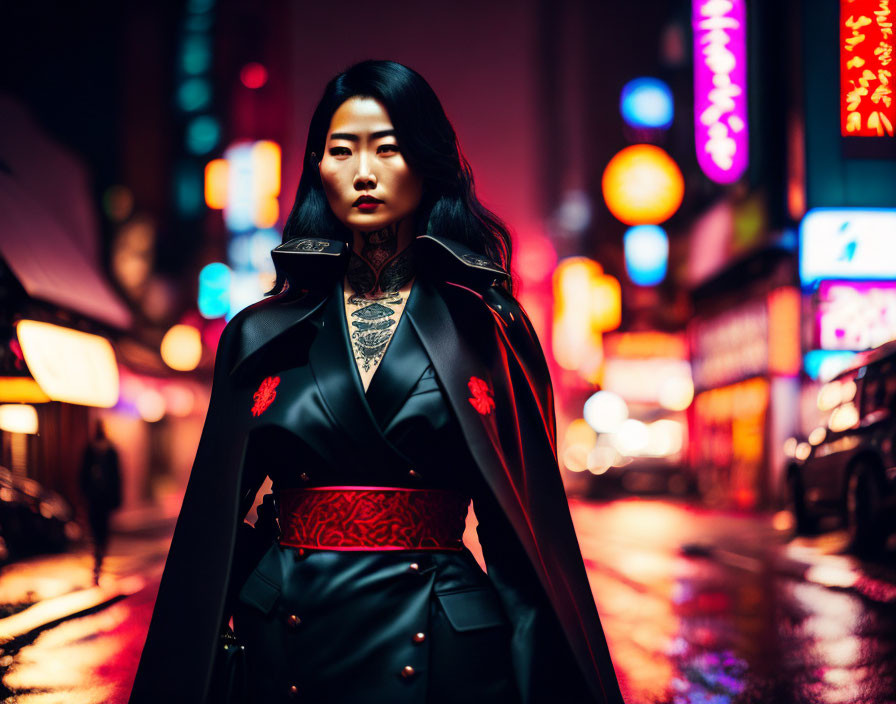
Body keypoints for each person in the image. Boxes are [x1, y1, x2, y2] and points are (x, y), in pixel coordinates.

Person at [129, 60, 624, 704]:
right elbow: (210, 536)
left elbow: (524, 547)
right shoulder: (258, 333)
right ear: (316, 166)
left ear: (426, 160)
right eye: (342, 150)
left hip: (442, 648)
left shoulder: (488, 327)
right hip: (288, 637)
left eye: (387, 148)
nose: (364, 172)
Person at [78, 419, 121, 586]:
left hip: (101, 498)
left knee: (100, 530)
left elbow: (116, 477)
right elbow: (83, 474)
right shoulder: (97, 449)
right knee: (98, 529)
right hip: (96, 497)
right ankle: (98, 556)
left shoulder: (107, 450)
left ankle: (99, 556)